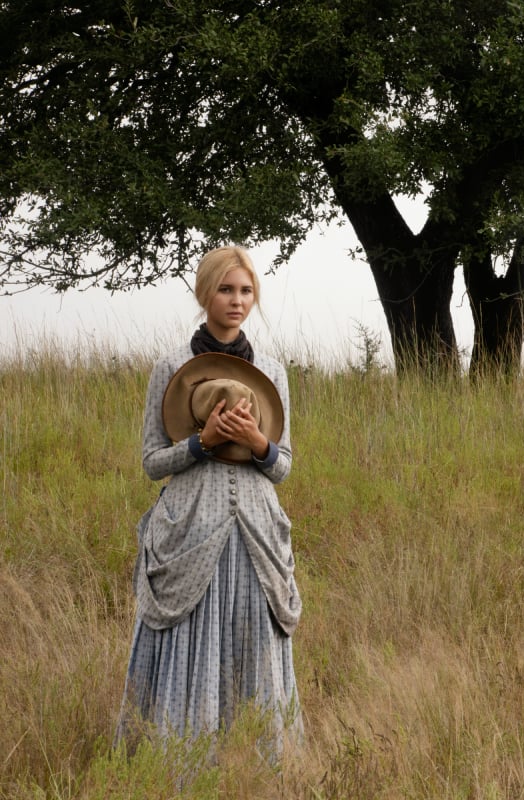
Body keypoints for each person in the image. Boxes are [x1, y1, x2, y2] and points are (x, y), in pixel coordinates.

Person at [117, 246, 303, 755]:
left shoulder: (271, 369)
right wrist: (202, 443)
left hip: (256, 534)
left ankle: (257, 764)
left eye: (246, 291)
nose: (237, 301)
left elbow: (283, 466)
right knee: (186, 638)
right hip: (189, 529)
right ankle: (179, 762)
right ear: (205, 294)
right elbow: (152, 461)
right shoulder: (170, 365)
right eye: (226, 289)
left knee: (253, 641)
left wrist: (257, 442)